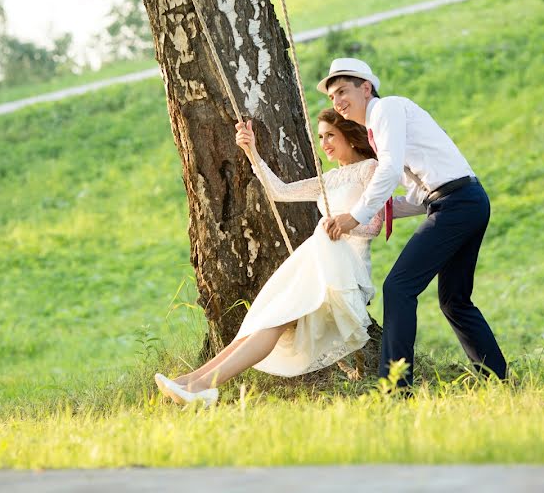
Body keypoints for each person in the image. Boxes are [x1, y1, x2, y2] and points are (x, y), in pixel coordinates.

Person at [155, 108, 384, 407]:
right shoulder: (330, 178)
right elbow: (280, 192)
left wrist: (343, 222)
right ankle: (191, 382)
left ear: (350, 137)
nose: (325, 143)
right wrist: (251, 152)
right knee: (261, 322)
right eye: (321, 137)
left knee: (273, 323)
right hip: (316, 261)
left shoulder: (370, 170)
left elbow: (375, 224)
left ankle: (202, 387)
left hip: (343, 270)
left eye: (331, 135)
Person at [320, 58, 507, 386]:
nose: (337, 102)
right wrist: (375, 209)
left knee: (399, 286)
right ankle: (497, 378)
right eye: (332, 97)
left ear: (366, 88)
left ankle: (395, 386)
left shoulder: (386, 109)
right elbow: (420, 197)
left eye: (343, 91)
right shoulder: (379, 124)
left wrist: (356, 215)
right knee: (454, 300)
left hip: (457, 204)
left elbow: (390, 169)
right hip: (461, 201)